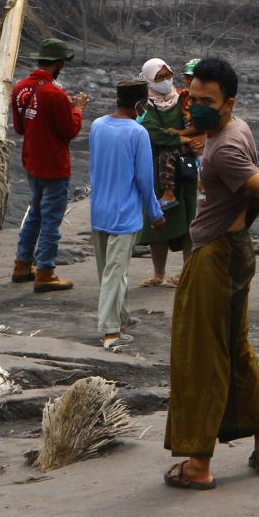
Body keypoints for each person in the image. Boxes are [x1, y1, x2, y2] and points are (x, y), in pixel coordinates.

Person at [163, 58, 259, 490]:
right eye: (191, 98)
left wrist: (249, 184)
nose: (195, 106)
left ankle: (198, 464)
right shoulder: (236, 130)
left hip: (215, 255)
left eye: (205, 101)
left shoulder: (227, 147)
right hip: (234, 251)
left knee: (202, 354)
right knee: (236, 348)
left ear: (228, 102)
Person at [89, 80, 166, 349]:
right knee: (116, 271)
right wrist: (155, 212)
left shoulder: (97, 125)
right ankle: (110, 331)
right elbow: (145, 179)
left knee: (108, 271)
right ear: (138, 105)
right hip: (125, 213)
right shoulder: (137, 132)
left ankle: (121, 318)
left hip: (99, 209)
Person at [9, 38, 88, 293]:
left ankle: (22, 264)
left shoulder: (20, 88)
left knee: (35, 213)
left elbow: (20, 127)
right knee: (52, 218)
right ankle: (45, 271)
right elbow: (70, 130)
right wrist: (78, 110)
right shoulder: (55, 94)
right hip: (54, 165)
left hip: (32, 160)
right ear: (59, 64)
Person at [136, 59, 201, 288]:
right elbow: (150, 131)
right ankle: (158, 273)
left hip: (184, 167)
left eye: (167, 75)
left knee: (187, 220)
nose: (165, 81)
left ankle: (187, 271)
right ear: (149, 80)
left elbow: (197, 123)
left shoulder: (182, 99)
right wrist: (179, 138)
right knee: (157, 221)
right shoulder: (144, 105)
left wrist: (188, 139)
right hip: (154, 168)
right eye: (159, 78)